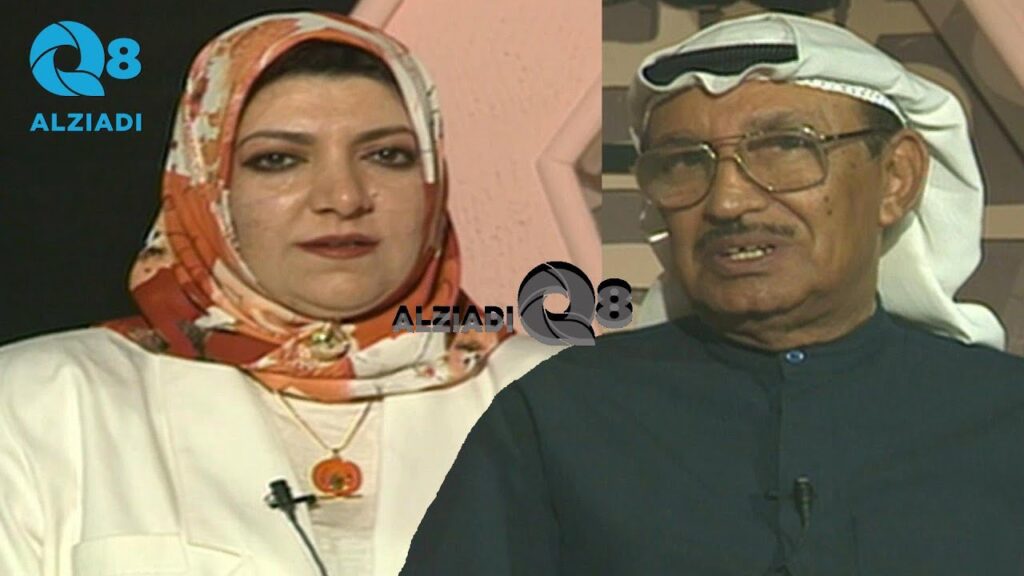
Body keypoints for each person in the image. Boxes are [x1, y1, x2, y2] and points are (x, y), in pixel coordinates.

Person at [400, 12, 1024, 576]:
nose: (727, 202)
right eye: (683, 162)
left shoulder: (1003, 416)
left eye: (784, 148)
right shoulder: (559, 416)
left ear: (896, 179)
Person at [0, 12, 553, 576]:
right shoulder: (42, 402)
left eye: (387, 156)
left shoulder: (560, 396)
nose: (343, 197)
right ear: (207, 185)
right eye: (278, 160)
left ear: (433, 179)